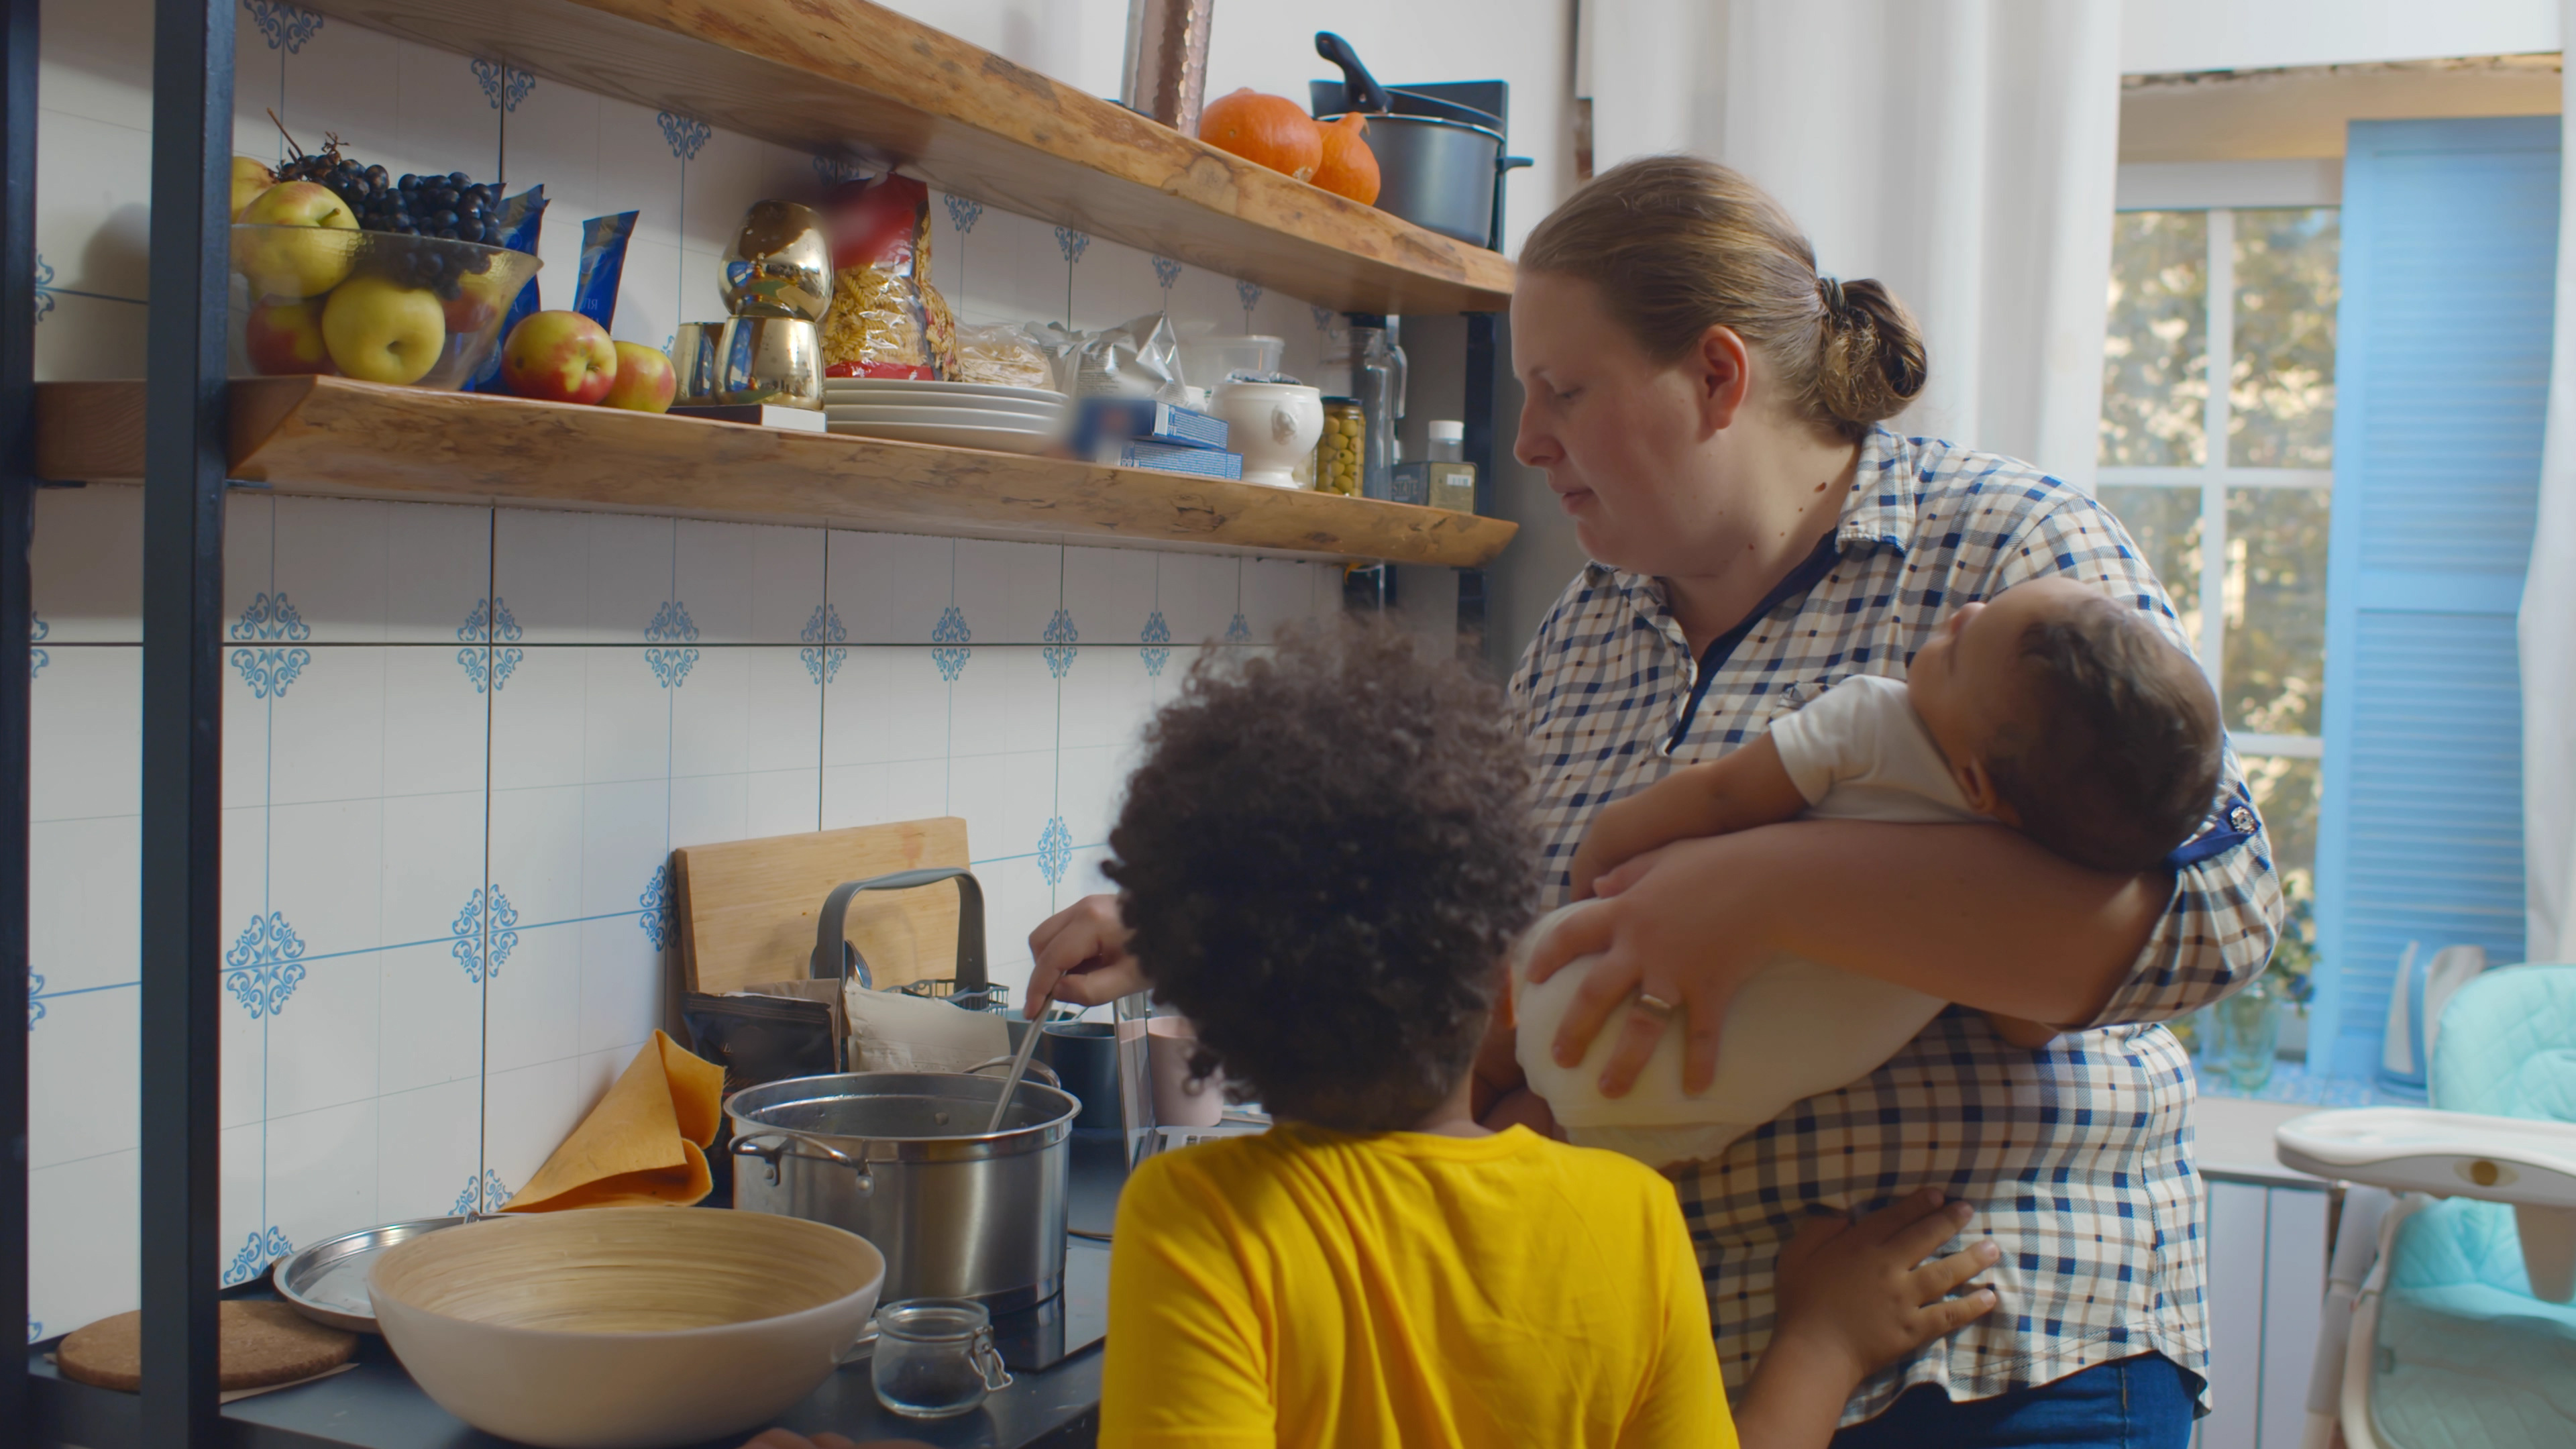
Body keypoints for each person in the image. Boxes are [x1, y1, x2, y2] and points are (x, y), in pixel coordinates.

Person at [1028, 156, 2282, 1448]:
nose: (1527, 440)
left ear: (1719, 379)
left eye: (1564, 390)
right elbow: (1476, 926)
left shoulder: (2003, 554)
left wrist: (1760, 892)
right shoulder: (1587, 629)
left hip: (1995, 1330)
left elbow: (2219, 913)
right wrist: (1212, 913)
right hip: (1694, 1361)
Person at [1090, 626, 1996, 1448]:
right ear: (1505, 980)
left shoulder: (1195, 1218)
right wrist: (1825, 1344)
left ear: (1208, 1011)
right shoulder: (1629, 1217)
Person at [1513, 575, 2225, 1167]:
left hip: (1586, 983)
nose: (1964, 610)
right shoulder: (2030, 867)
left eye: (1958, 648)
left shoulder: (1875, 722)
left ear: (1981, 784)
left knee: (1492, 1071)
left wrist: (1603, 851)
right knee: (1544, 1142)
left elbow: (1722, 795)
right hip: (1698, 1107)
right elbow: (2026, 1029)